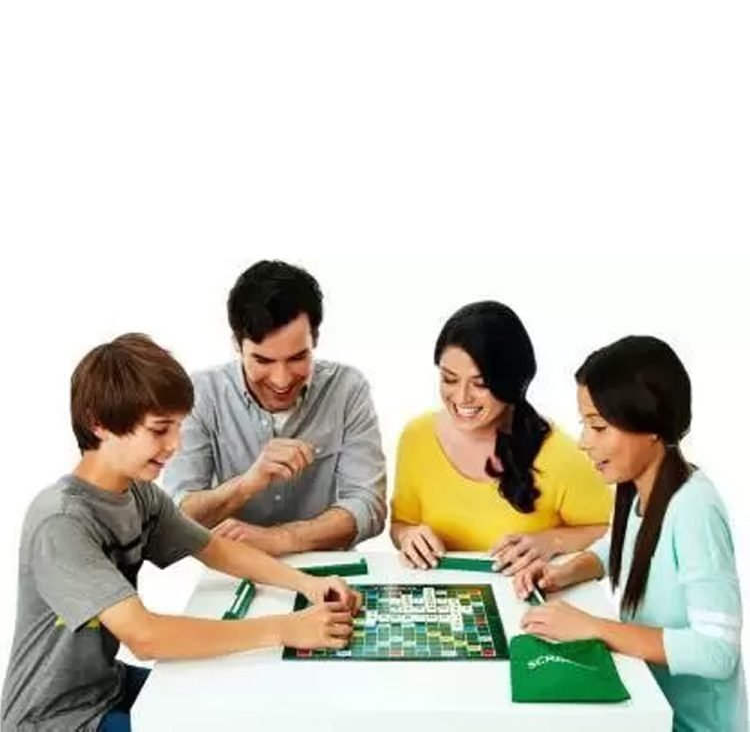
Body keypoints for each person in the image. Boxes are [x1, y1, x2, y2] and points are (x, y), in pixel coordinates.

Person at [1, 334, 360, 732]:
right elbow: (145, 637)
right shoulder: (61, 521)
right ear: (98, 423)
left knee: (240, 704)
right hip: (54, 720)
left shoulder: (139, 494)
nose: (174, 444)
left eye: (177, 427)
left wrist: (307, 583)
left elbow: (215, 548)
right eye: (159, 429)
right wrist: (285, 629)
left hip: (106, 686)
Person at [515, 335, 747, 732]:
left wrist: (594, 628)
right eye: (585, 425)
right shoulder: (637, 490)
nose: (584, 442)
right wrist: (562, 573)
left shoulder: (694, 508)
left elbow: (717, 651)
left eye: (598, 426)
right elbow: (618, 547)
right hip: (649, 707)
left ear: (650, 425)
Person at [163, 260, 387, 555]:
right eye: (263, 360)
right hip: (233, 568)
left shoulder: (347, 389)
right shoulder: (202, 394)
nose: (281, 380)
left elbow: (369, 505)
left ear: (315, 338)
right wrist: (247, 484)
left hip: (327, 570)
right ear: (237, 344)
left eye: (297, 358)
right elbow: (176, 518)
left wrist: (282, 539)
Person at [390, 300, 612, 572]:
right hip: (437, 591)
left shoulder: (562, 454)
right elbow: (402, 524)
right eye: (449, 379)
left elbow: (613, 531)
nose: (462, 397)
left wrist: (552, 541)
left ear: (511, 382)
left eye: (480, 383)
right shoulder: (417, 437)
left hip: (524, 593)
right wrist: (407, 536)